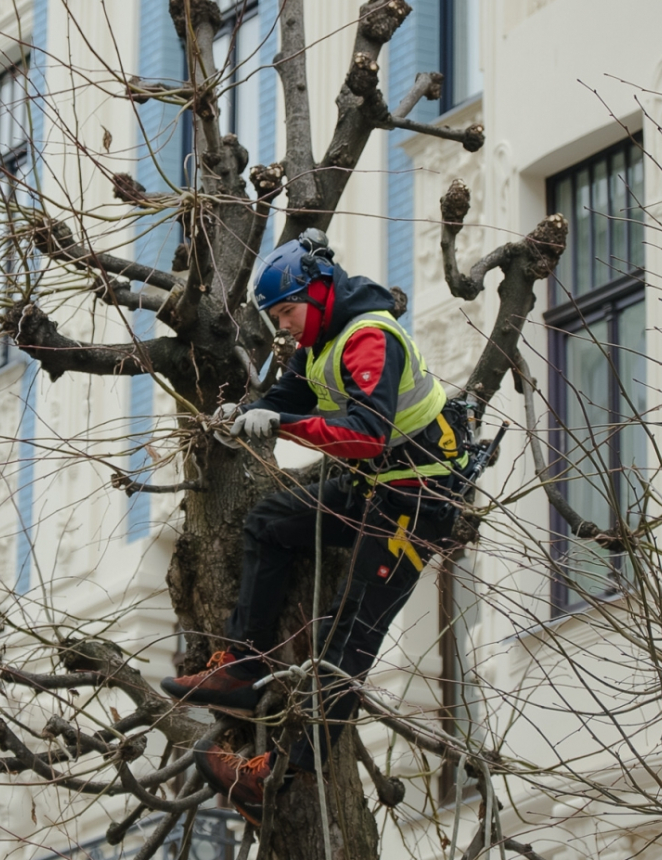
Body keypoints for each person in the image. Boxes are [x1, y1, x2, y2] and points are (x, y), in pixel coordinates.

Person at [161, 230, 472, 824]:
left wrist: (279, 424)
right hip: (380, 485)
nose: (285, 326)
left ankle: (277, 775)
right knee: (272, 522)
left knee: (346, 641)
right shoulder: (321, 336)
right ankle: (245, 666)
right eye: (277, 316)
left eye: (288, 311)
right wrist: (253, 409)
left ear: (320, 292)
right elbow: (292, 390)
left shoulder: (368, 337)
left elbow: (364, 432)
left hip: (418, 498)